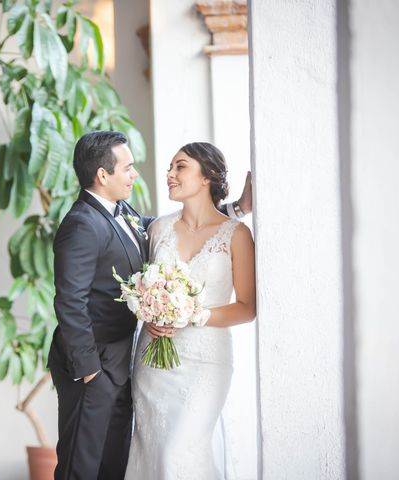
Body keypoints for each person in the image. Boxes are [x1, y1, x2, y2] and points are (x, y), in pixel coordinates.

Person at [48, 131, 251, 480]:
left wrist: (235, 210)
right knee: (81, 465)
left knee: (115, 462)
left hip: (129, 363)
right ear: (102, 175)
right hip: (93, 365)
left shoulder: (122, 212)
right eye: (127, 168)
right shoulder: (82, 223)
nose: (135, 174)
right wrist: (90, 371)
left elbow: (170, 228)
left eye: (179, 167)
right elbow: (70, 301)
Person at [124, 142, 257, 480]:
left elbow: (247, 308)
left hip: (205, 364)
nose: (169, 174)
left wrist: (194, 315)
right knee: (153, 452)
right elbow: (145, 286)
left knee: (179, 453)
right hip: (153, 361)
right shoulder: (158, 230)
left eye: (179, 166)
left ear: (206, 177)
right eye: (170, 167)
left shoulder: (237, 235)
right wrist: (149, 313)